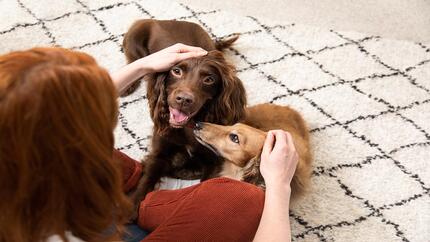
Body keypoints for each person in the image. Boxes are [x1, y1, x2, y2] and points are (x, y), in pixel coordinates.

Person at [0, 44, 298, 242]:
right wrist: (279, 186)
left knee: (113, 163)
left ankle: (141, 208)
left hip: (73, 207)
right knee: (241, 200)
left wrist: (142, 65)